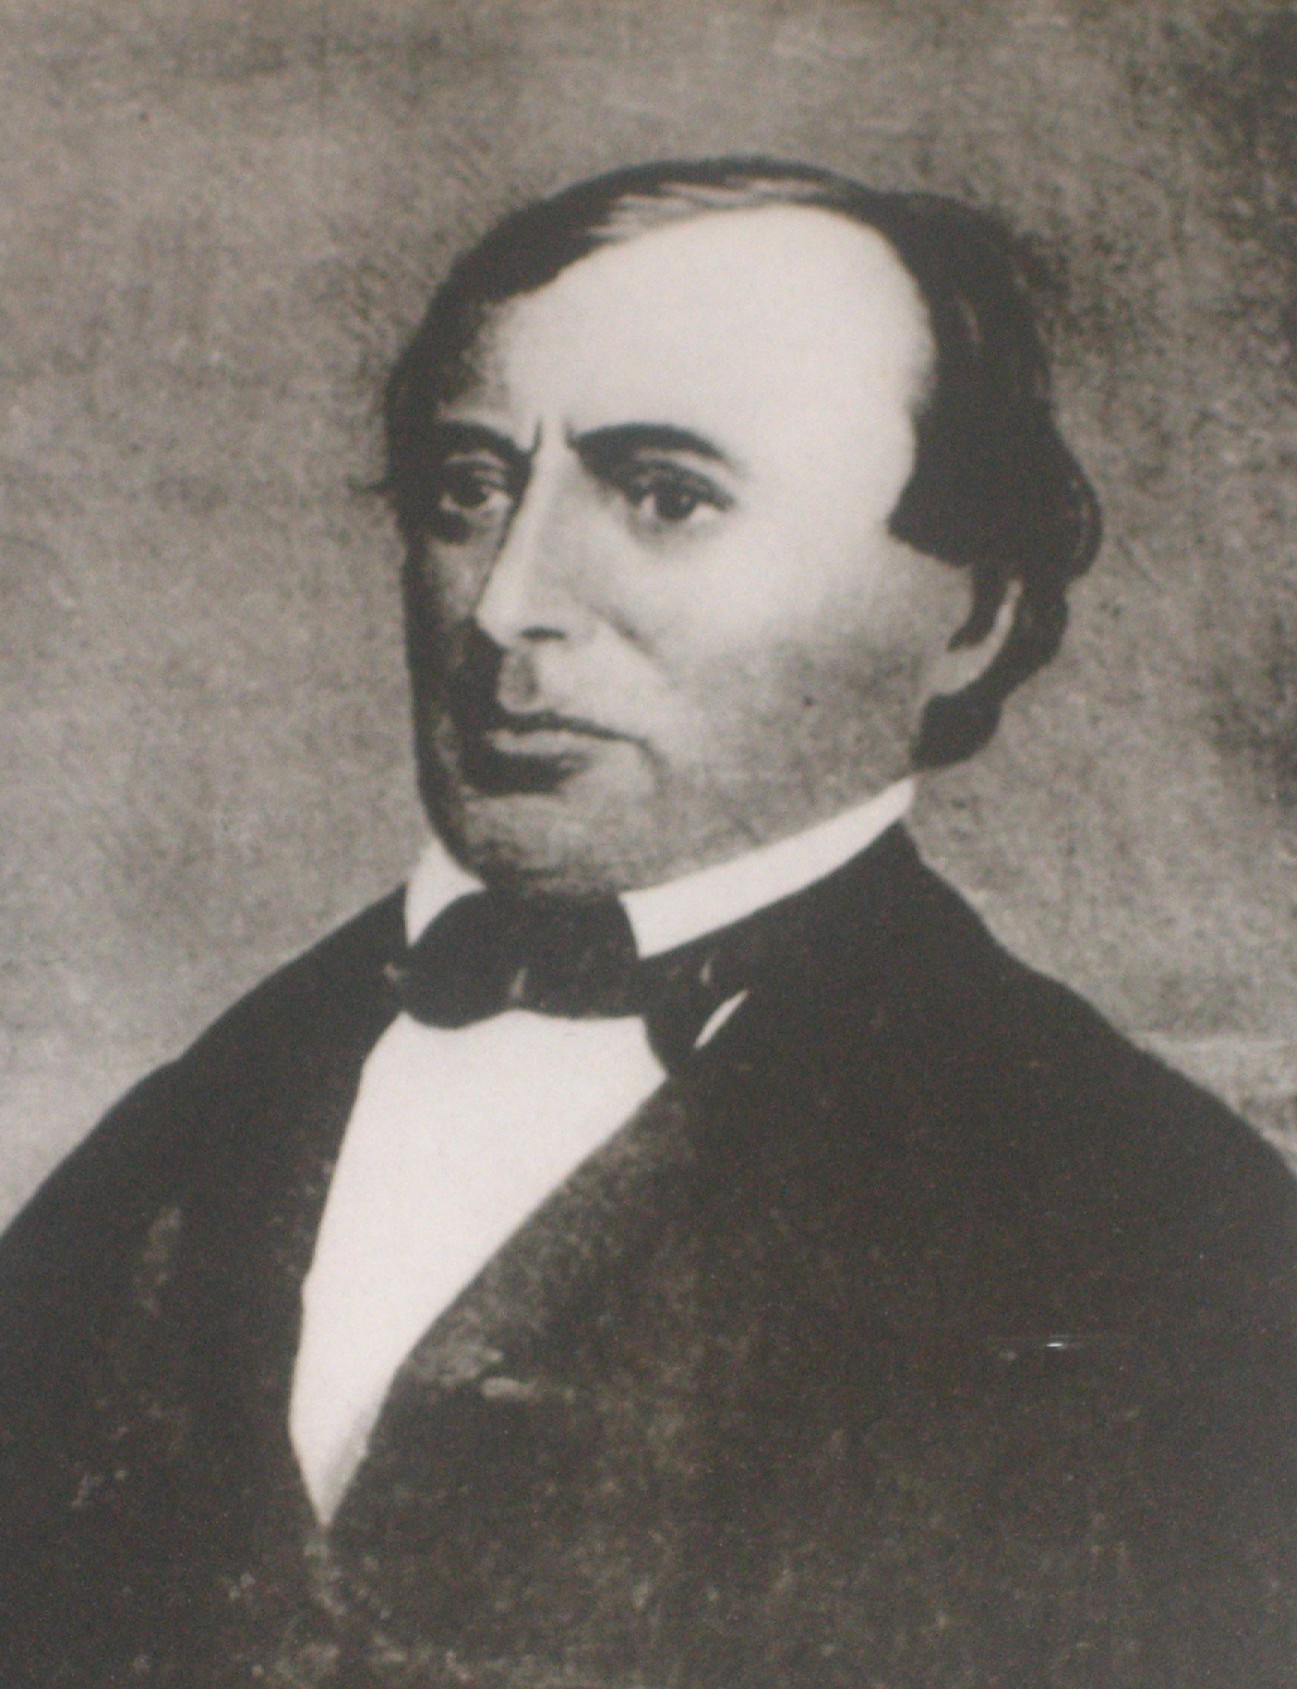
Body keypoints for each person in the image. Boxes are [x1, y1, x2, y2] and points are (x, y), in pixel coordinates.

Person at [2, 157, 1295, 1688]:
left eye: (665, 496)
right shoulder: (180, 1132)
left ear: (969, 611)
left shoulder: (1161, 1230)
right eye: (467, 489)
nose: (505, 605)